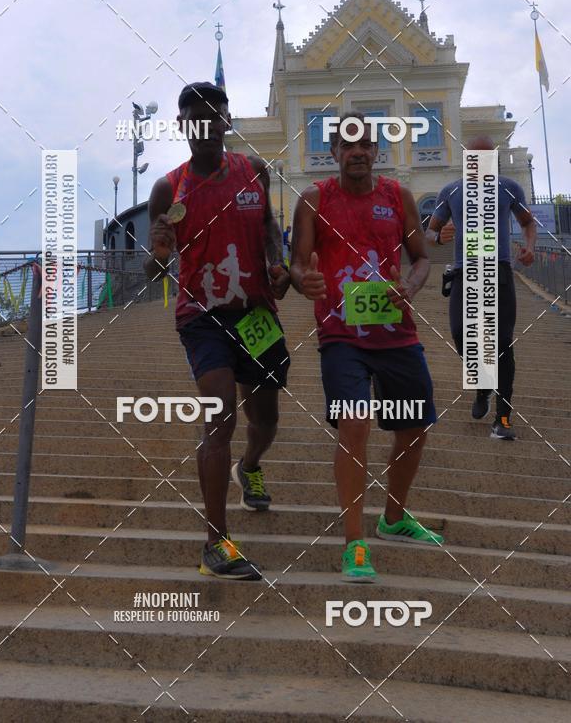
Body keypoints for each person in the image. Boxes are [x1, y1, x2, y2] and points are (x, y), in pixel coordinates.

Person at [144, 82, 291, 580]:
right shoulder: (169, 188)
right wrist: (160, 254)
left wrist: (277, 263)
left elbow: (270, 227)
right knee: (219, 419)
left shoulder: (254, 171)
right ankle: (216, 544)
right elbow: (151, 268)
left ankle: (250, 464)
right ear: (183, 127)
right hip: (202, 317)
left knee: (265, 418)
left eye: (214, 116)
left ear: (227, 121)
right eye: (194, 119)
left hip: (256, 312)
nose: (205, 127)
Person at [290, 112, 443, 583]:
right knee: (354, 422)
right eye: (346, 144)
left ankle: (393, 518)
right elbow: (296, 264)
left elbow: (420, 258)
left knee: (414, 428)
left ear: (377, 151)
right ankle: (355, 543)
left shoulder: (399, 198)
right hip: (341, 335)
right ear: (333, 151)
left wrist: (412, 286)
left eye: (365, 144)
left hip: (396, 332)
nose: (357, 152)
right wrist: (306, 280)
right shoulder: (314, 200)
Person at [427, 135, 536, 440]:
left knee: (501, 343)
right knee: (462, 334)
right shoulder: (452, 191)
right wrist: (439, 238)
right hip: (464, 272)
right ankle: (482, 385)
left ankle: (502, 418)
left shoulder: (508, 188)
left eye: (487, 158)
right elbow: (429, 232)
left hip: (498, 270)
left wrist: (528, 247)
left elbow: (528, 223)